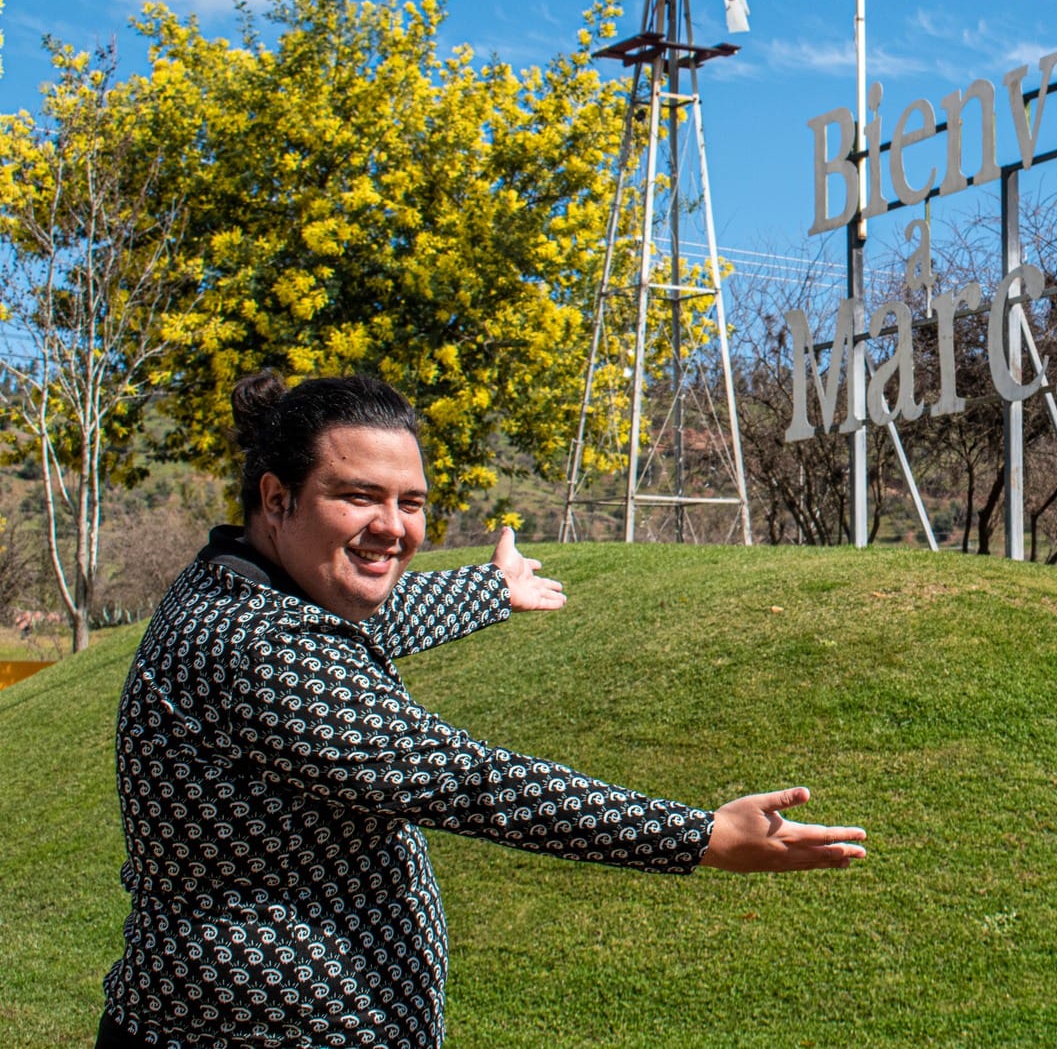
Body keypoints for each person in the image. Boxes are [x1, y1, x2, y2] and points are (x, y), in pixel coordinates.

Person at [98, 372, 865, 1049]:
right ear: (277, 497)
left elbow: (376, 614)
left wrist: (492, 587)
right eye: (358, 496)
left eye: (410, 502)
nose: (393, 526)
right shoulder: (259, 646)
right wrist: (698, 836)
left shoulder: (247, 587)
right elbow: (469, 782)